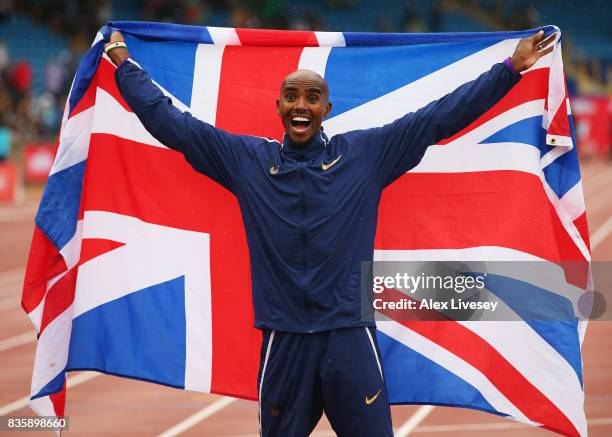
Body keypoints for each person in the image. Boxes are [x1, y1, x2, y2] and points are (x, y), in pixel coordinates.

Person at [105, 29, 554, 437]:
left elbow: (439, 118)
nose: (301, 105)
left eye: (312, 97)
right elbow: (173, 126)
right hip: (284, 343)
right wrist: (125, 67)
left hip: (349, 338)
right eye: (292, 97)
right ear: (278, 106)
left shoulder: (365, 155)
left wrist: (509, 69)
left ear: (327, 108)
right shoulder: (248, 162)